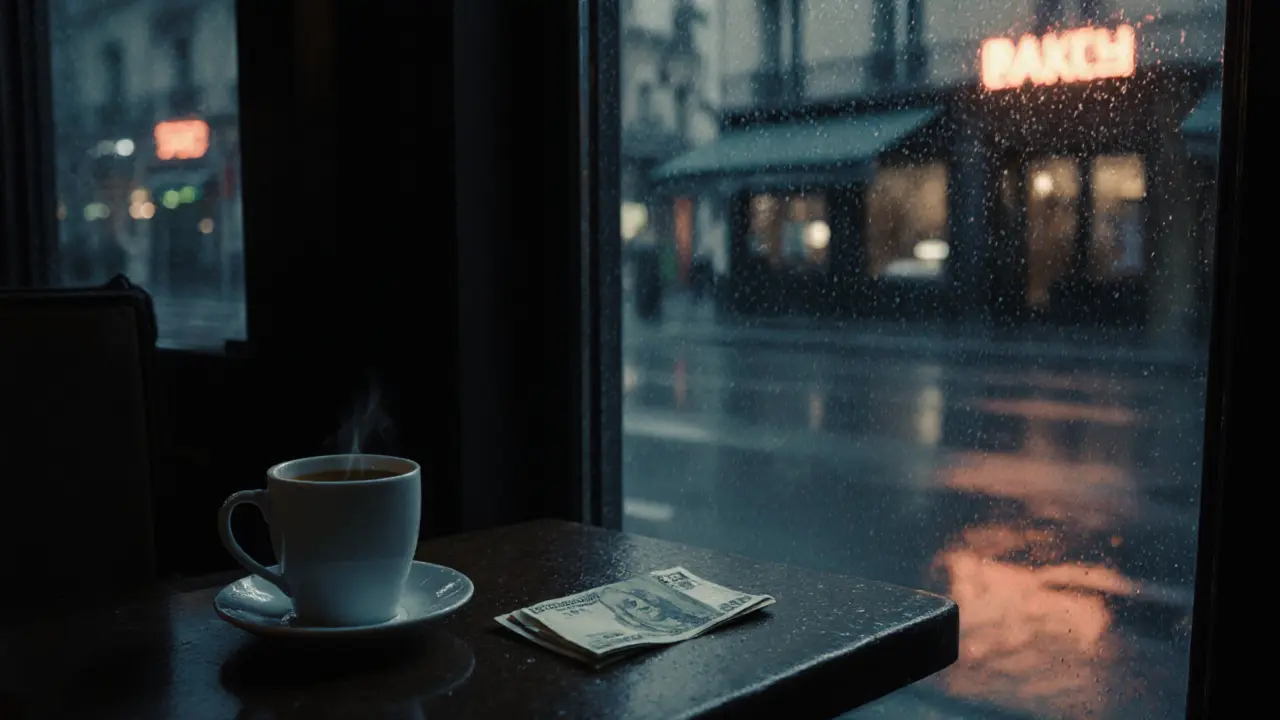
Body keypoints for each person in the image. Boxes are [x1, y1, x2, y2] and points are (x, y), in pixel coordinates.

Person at [598, 585, 713, 634]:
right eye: (630, 604)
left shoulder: (698, 613)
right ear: (625, 616)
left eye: (641, 596)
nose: (643, 602)